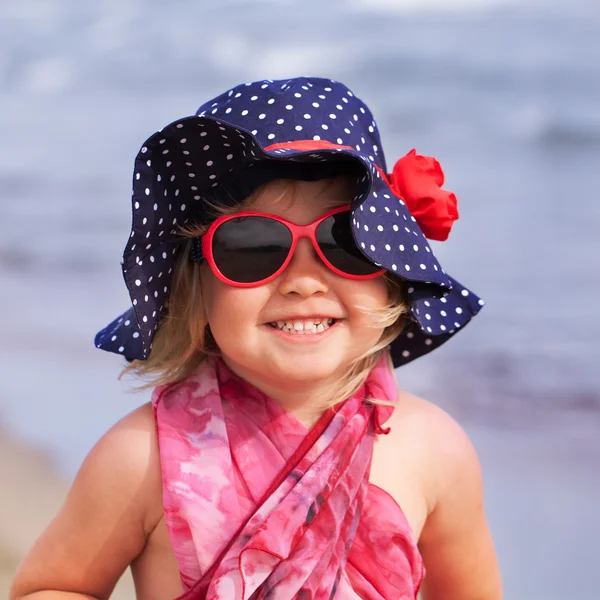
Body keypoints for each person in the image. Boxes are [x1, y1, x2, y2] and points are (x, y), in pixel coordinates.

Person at [10, 77, 502, 599]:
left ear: (392, 274)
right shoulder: (142, 459)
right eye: (254, 246)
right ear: (195, 290)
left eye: (346, 241)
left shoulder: (435, 451)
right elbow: (50, 587)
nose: (303, 280)